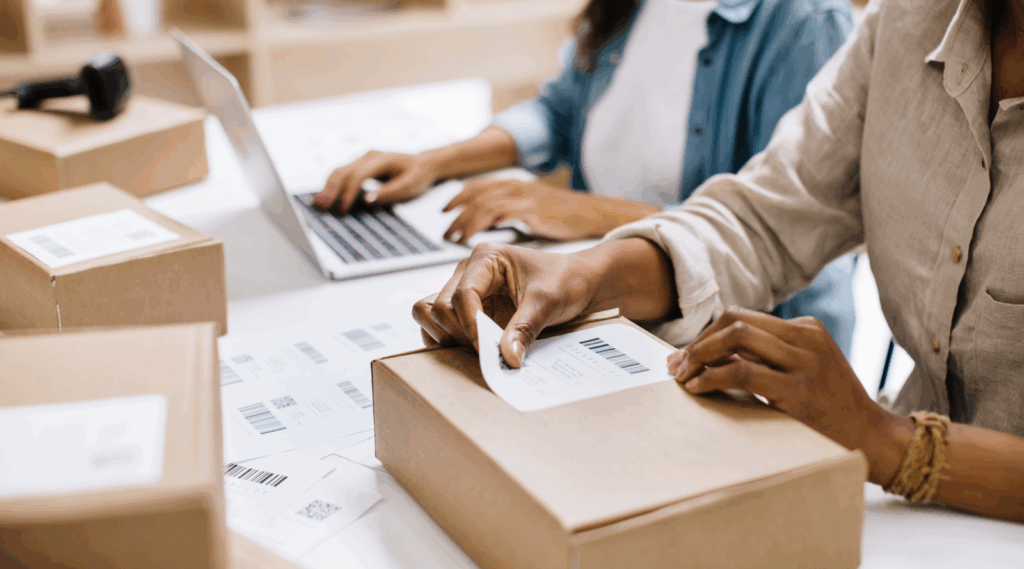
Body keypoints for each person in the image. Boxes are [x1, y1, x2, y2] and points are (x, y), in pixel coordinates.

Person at [410, 0, 1024, 522]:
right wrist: (584, 273)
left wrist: (891, 443)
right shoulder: (909, 19)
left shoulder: (803, 18)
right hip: (899, 506)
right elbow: (768, 214)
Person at [314, 0, 859, 355]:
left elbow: (773, 228)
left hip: (727, 339)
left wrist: (585, 210)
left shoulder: (805, 22)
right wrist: (435, 161)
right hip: (597, 292)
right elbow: (558, 110)